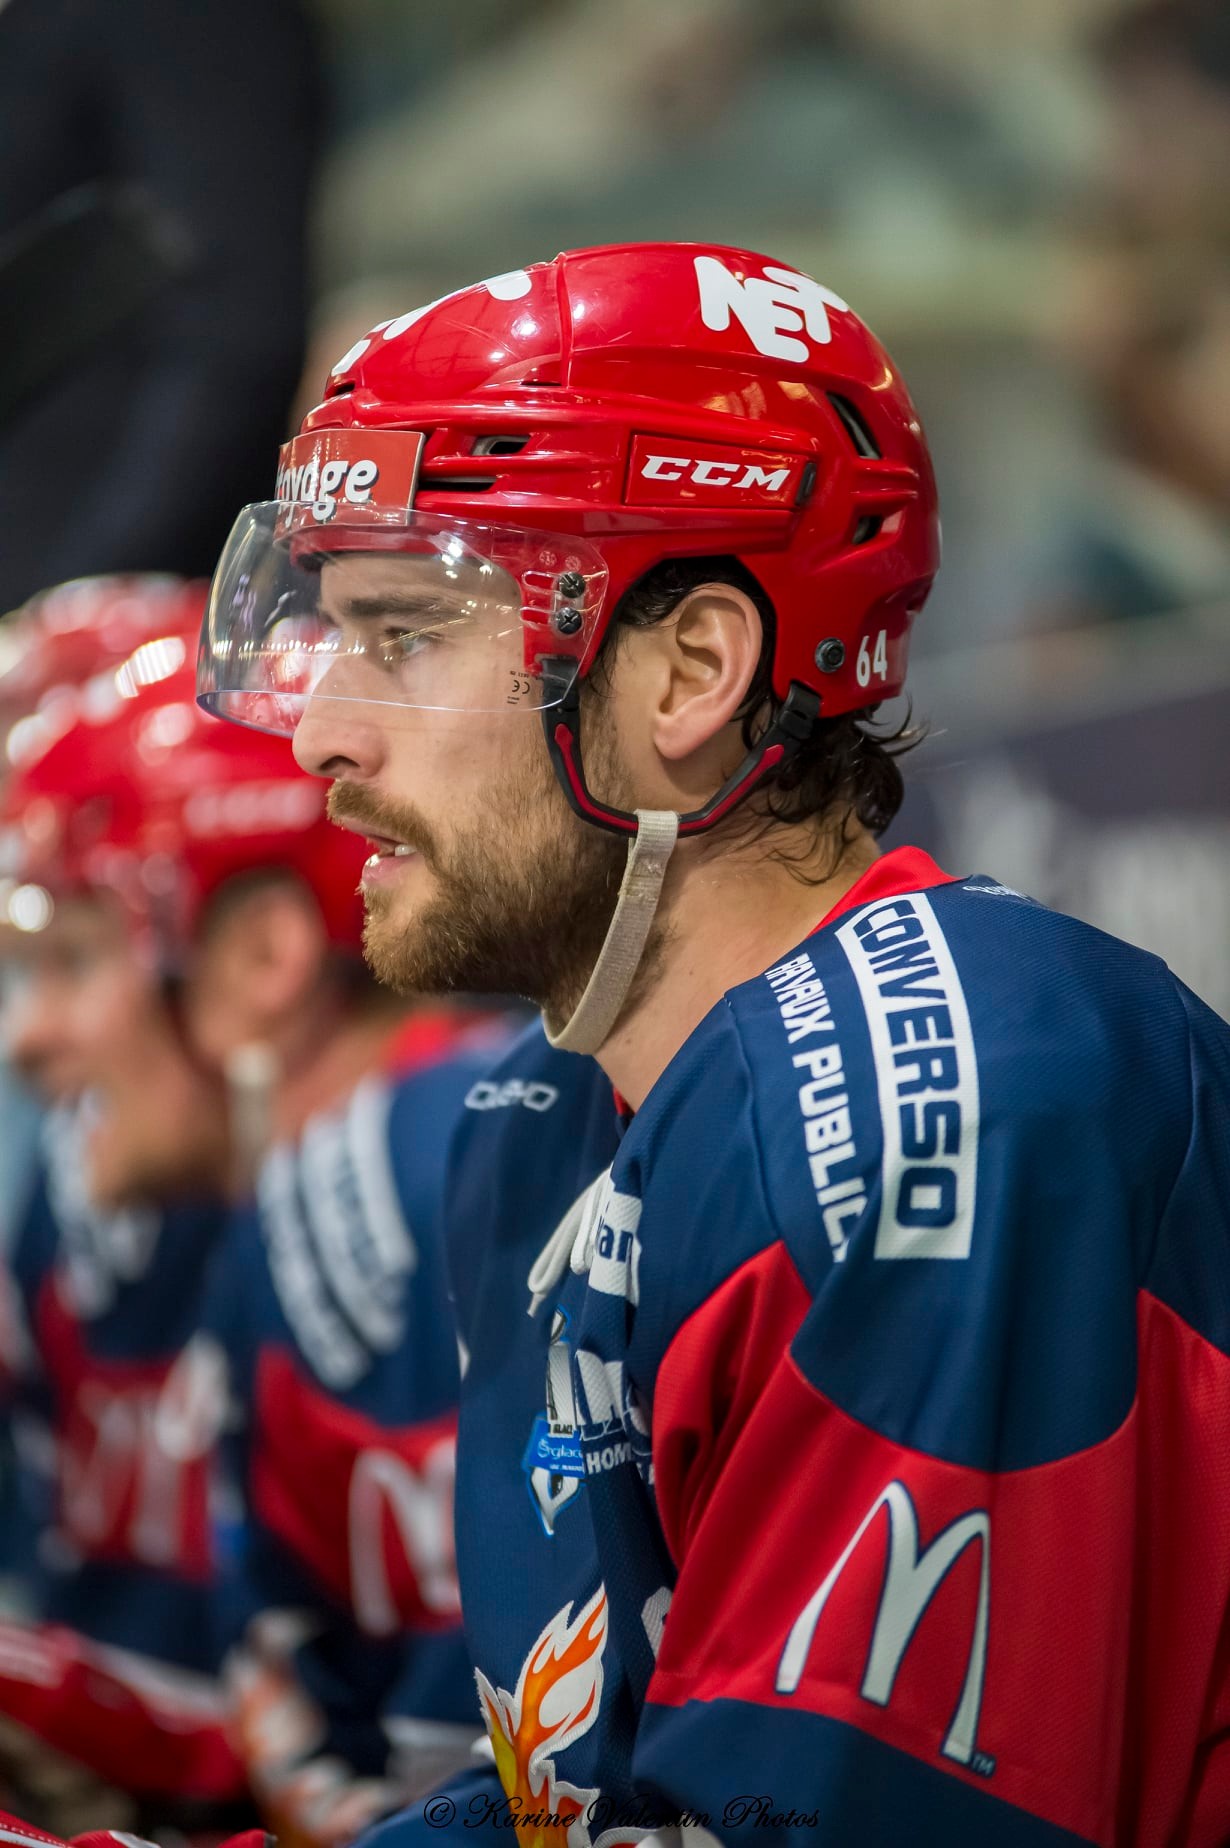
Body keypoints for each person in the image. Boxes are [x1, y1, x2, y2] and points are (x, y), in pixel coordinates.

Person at [125, 240, 1230, 1841]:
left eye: (406, 633)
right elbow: (593, 1807)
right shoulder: (539, 1120)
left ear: (691, 672)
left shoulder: (947, 1101)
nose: (317, 732)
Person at [0, 581, 487, 1838]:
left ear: (262, 958)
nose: (30, 1036)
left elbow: (524, 1791)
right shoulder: (309, 1184)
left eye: (77, 961)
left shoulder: (440, 1169)